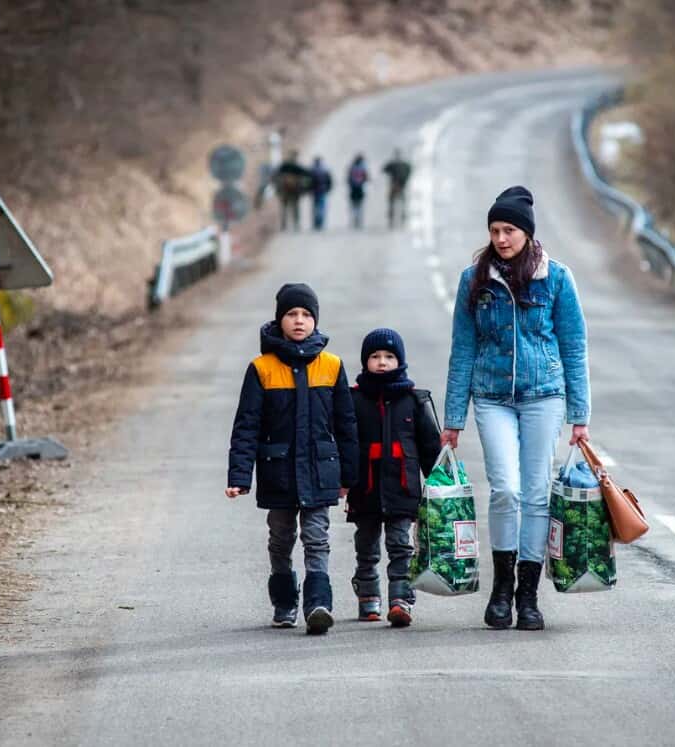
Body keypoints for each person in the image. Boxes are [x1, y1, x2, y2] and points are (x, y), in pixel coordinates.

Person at [441, 186, 591, 632]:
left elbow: (574, 346)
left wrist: (579, 415)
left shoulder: (557, 278)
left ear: (526, 232)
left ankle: (529, 596)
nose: (501, 238)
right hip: (491, 398)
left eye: (509, 230)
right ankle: (501, 590)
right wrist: (453, 420)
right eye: (494, 230)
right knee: (505, 489)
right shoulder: (474, 280)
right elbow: (462, 349)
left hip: (544, 395)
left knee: (536, 492)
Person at [226, 283, 358, 634]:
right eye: (291, 314)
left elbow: (346, 425)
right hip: (278, 472)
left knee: (316, 537)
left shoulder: (331, 366)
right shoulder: (262, 369)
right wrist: (240, 476)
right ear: (279, 319)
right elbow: (247, 426)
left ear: (315, 320)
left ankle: (318, 603)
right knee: (281, 538)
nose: (299, 321)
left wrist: (349, 476)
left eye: (306, 315)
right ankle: (284, 602)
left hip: (319, 470)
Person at [346, 328, 440, 627]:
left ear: (400, 361)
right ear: (365, 362)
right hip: (366, 488)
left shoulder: (414, 400)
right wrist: (343, 480)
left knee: (401, 545)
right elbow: (344, 444)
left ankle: (401, 600)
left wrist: (439, 483)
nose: (382, 362)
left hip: (403, 488)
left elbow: (430, 448)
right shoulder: (354, 399)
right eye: (375, 357)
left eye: (389, 356)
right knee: (366, 545)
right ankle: (368, 596)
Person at [274, 151, 311, 231]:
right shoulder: (298, 167)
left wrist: (278, 189)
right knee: (295, 209)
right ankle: (296, 224)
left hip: (284, 192)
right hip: (295, 192)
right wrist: (304, 189)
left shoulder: (284, 166)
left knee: (284, 208)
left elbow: (276, 176)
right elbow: (308, 175)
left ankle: (284, 225)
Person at [382, 149, 412, 228]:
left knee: (392, 203)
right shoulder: (405, 164)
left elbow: (384, 169)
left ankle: (391, 221)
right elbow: (410, 170)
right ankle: (402, 220)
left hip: (394, 186)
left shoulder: (392, 164)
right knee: (402, 204)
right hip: (402, 186)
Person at [309, 156, 333, 230]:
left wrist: (309, 190)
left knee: (315, 208)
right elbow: (330, 181)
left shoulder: (312, 171)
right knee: (322, 208)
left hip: (315, 192)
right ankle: (321, 223)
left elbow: (309, 182)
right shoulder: (325, 170)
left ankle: (316, 223)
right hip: (322, 191)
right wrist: (328, 189)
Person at [347, 154, 369, 229]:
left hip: (353, 189)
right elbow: (367, 178)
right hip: (360, 189)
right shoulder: (363, 168)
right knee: (360, 206)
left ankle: (354, 220)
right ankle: (359, 221)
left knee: (353, 206)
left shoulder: (352, 168)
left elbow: (348, 179)